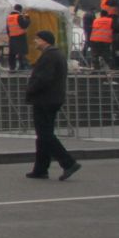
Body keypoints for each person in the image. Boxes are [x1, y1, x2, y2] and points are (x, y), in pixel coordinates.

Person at [25, 30, 80, 182]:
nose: (35, 41)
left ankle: (68, 162)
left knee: (45, 135)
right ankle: (41, 169)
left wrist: (30, 89)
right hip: (51, 99)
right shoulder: (56, 54)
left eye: (37, 39)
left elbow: (44, 78)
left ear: (45, 41)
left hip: (45, 99)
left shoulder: (49, 56)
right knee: (43, 136)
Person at [5, 3, 30, 71]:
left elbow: (7, 29)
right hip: (20, 37)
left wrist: (10, 35)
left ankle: (12, 68)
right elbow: (24, 25)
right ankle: (22, 66)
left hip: (12, 37)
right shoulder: (19, 16)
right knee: (21, 52)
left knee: (12, 53)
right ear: (20, 9)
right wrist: (27, 18)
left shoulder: (9, 17)